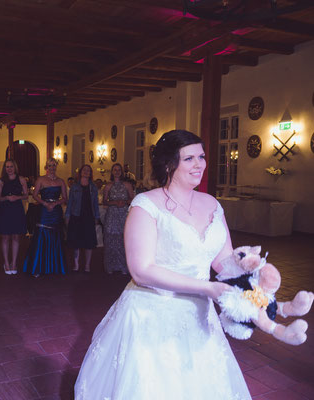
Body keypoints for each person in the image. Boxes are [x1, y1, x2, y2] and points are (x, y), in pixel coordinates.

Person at [74, 130, 251, 399]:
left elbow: (223, 260)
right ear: (169, 165)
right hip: (152, 314)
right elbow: (141, 271)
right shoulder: (146, 205)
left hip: (201, 316)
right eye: (189, 158)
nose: (199, 164)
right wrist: (207, 289)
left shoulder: (212, 204)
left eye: (201, 157)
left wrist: (250, 271)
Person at [23, 158, 67, 276]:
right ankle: (38, 266)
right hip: (44, 209)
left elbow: (64, 198)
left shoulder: (61, 181)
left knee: (56, 235)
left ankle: (54, 266)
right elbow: (35, 195)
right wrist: (45, 203)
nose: (52, 168)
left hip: (55, 210)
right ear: (46, 167)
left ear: (56, 167)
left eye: (54, 165)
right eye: (50, 166)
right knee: (41, 234)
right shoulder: (41, 180)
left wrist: (55, 204)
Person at [66, 165, 100, 272]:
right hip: (76, 216)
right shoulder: (74, 187)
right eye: (84, 170)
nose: (86, 172)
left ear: (90, 173)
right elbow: (70, 202)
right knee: (76, 242)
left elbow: (95, 204)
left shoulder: (93, 187)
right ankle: (76, 264)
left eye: (88, 171)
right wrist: (67, 215)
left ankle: (87, 265)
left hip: (89, 216)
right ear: (80, 172)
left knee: (88, 242)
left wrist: (97, 216)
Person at [0, 159, 28, 274]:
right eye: (7, 167)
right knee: (5, 237)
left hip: (17, 209)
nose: (9, 169)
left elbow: (26, 195)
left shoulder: (21, 179)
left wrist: (17, 197)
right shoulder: (1, 181)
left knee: (16, 237)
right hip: (5, 210)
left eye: (11, 167)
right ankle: (6, 262)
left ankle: (13, 263)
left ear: (15, 168)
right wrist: (6, 198)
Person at [102, 163, 134, 274]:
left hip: (123, 214)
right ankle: (111, 266)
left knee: (123, 239)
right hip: (112, 214)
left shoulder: (127, 185)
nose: (117, 171)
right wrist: (115, 202)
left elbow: (133, 199)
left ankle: (124, 266)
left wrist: (124, 202)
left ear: (121, 172)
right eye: (114, 170)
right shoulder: (108, 186)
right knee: (111, 239)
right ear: (112, 172)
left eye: (119, 169)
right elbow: (104, 201)